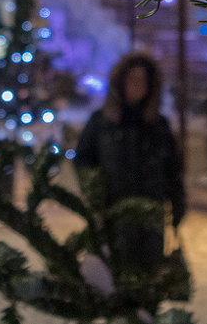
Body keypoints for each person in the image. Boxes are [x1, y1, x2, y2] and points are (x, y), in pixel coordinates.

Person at [73, 52, 186, 279]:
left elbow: (172, 170)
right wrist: (94, 190)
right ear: (120, 82)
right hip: (113, 211)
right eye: (133, 79)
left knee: (148, 278)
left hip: (150, 216)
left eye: (143, 80)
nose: (138, 85)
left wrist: (177, 205)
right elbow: (84, 159)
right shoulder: (102, 122)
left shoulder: (158, 125)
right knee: (115, 276)